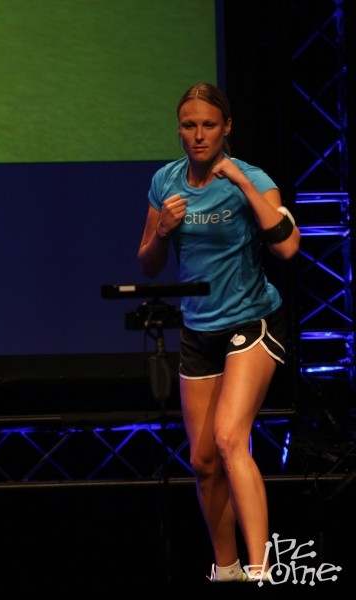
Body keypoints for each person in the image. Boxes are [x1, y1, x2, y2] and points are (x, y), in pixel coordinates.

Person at [138, 82, 301, 583]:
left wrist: (244, 185)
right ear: (179, 129)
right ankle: (226, 571)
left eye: (209, 125)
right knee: (204, 460)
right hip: (199, 330)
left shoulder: (252, 178)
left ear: (226, 127)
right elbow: (148, 263)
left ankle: (260, 572)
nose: (198, 135)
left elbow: (288, 247)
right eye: (189, 125)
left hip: (252, 322)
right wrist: (162, 231)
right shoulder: (166, 182)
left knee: (231, 438)